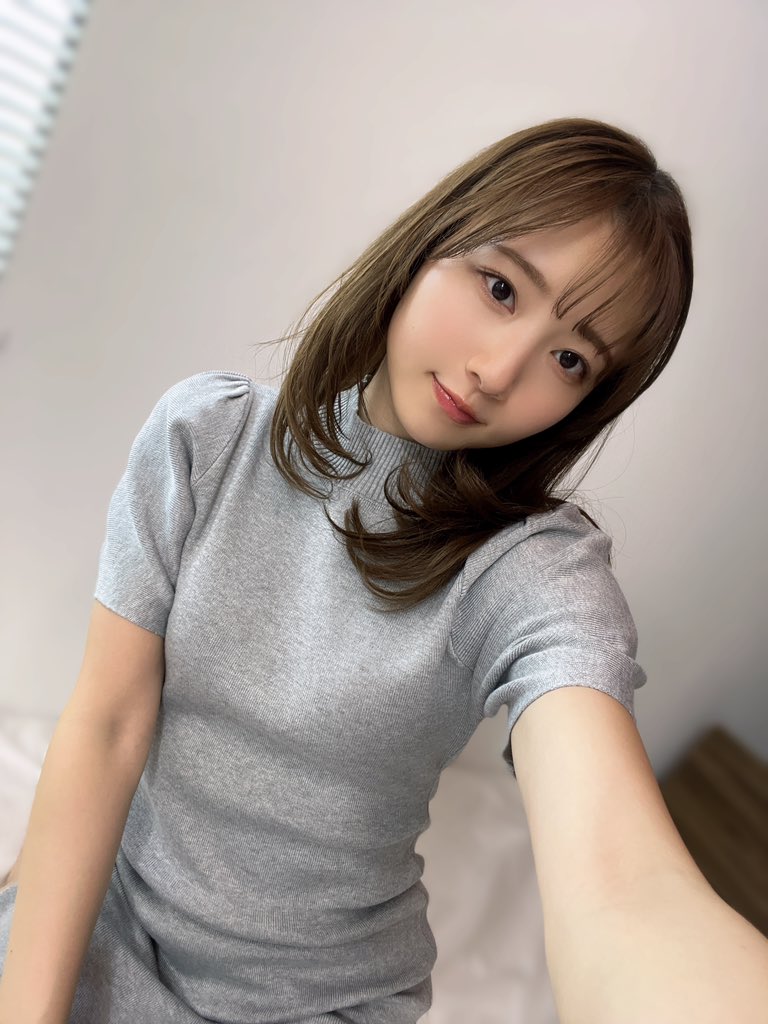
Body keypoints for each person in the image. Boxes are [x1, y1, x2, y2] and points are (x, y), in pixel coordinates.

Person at [0, 117, 765, 1024]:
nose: (497, 371)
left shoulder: (531, 572)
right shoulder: (206, 440)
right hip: (112, 921)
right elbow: (106, 725)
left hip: (315, 1003)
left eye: (570, 359)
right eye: (500, 288)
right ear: (433, 240)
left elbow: (626, 893)